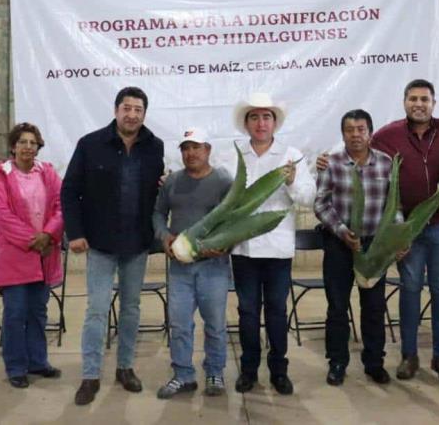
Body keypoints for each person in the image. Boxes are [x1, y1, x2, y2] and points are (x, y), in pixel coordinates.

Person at [371, 79, 439, 382]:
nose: (418, 104)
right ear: (404, 102)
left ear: (434, 103)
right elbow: (366, 165)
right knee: (409, 289)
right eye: (412, 99)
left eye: (424, 99)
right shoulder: (386, 136)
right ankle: (409, 356)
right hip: (407, 228)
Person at [61, 86, 164, 405]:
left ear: (144, 113)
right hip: (101, 243)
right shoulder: (91, 144)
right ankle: (91, 374)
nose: (132, 114)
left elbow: (157, 191)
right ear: (116, 110)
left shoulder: (154, 146)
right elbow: (69, 191)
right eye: (127, 108)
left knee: (131, 309)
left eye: (138, 109)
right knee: (96, 309)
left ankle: (125, 367)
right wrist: (75, 232)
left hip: (137, 244)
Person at [230, 92, 316, 395]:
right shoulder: (235, 154)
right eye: (254, 117)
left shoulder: (290, 154)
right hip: (243, 248)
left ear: (274, 122)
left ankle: (279, 370)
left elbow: (308, 197)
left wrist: (292, 182)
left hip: (278, 249)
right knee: (248, 312)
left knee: (277, 311)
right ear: (246, 123)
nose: (261, 122)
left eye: (266, 117)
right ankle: (249, 370)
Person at [314, 109, 401, 386]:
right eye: (349, 130)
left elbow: (394, 207)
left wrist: (398, 237)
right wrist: (341, 231)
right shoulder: (332, 164)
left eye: (360, 129)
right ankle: (337, 362)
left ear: (370, 133)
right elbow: (321, 204)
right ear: (342, 135)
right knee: (337, 306)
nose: (355, 134)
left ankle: (374, 362)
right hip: (339, 244)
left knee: (374, 306)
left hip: (374, 247)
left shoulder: (386, 164)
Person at [152, 127, 233, 399]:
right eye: (185, 148)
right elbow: (158, 213)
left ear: (208, 149)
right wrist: (164, 237)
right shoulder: (173, 182)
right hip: (180, 267)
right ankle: (183, 375)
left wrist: (224, 245)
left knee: (215, 323)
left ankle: (215, 372)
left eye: (196, 147)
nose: (191, 153)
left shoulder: (223, 180)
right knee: (179, 323)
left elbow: (236, 219)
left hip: (214, 266)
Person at [0, 122, 64, 388]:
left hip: (44, 255)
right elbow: (2, 215)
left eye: (33, 142)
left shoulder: (49, 173)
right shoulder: (1, 175)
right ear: (13, 146)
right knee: (15, 314)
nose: (28, 147)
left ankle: (38, 362)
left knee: (38, 313)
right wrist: (34, 240)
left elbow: (60, 206)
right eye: (22, 142)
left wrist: (49, 234)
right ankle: (16, 367)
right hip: (15, 256)